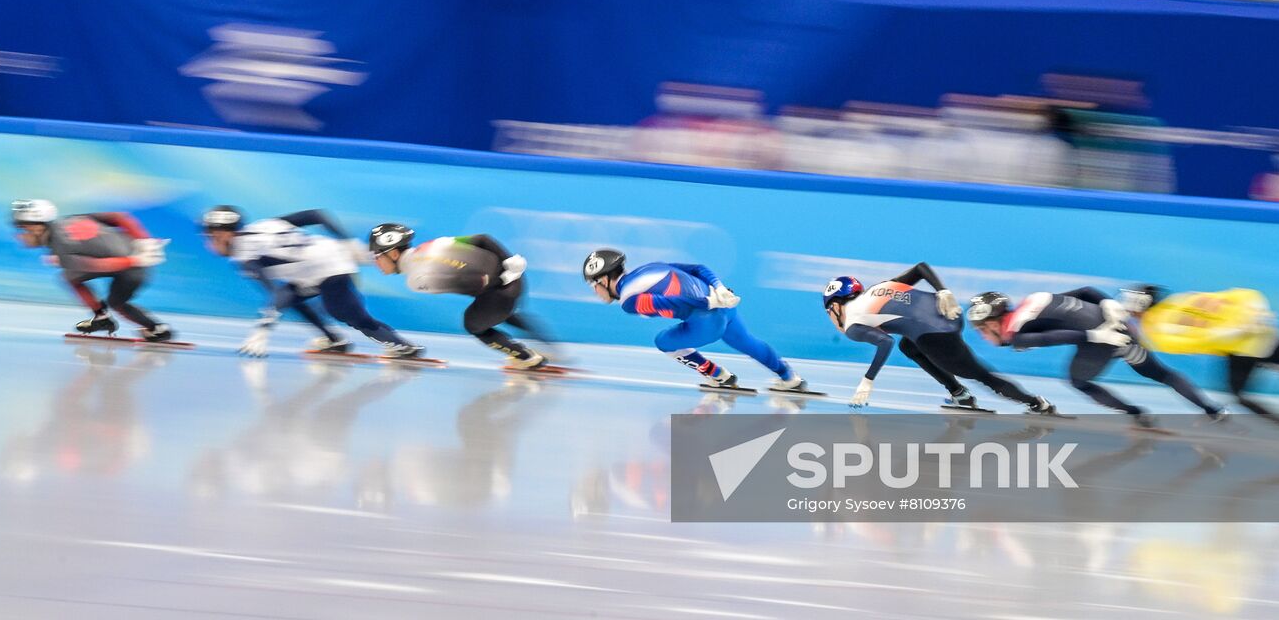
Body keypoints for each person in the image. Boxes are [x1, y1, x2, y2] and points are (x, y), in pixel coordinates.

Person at [966, 287, 1226, 426]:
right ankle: (1213, 410)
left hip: (1101, 340)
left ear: (992, 323)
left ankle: (1136, 413)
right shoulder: (1033, 299)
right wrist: (1109, 305)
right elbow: (1088, 291)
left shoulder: (1016, 334)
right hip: (1118, 325)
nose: (982, 337)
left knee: (1079, 381)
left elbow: (1060, 337)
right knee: (1158, 372)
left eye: (981, 330)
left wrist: (1097, 337)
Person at [823, 263, 1053, 413]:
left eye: (828, 311)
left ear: (835, 306)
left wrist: (868, 380)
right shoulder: (878, 289)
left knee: (984, 376)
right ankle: (959, 394)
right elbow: (921, 268)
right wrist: (944, 291)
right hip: (949, 312)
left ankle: (1036, 403)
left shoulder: (853, 325)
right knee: (908, 346)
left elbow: (885, 342)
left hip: (935, 336)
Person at [200, 205, 422, 358]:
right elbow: (317, 215)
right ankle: (334, 340)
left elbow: (276, 294)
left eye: (213, 236)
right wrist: (346, 240)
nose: (210, 242)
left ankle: (403, 347)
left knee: (353, 317)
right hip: (323, 263)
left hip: (329, 270)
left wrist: (263, 328)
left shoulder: (245, 257)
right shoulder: (264, 225)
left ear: (228, 235)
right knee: (296, 299)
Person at [582, 248, 810, 392]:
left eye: (593, 285)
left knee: (663, 341)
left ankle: (718, 375)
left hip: (705, 317)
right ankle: (790, 377)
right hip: (722, 305)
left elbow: (674, 304)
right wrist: (720, 290)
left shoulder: (629, 300)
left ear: (604, 279)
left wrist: (707, 303)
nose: (594, 291)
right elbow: (699, 268)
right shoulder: (650, 267)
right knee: (748, 342)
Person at [1124, 285, 1279, 425]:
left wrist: (1238, 330)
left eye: (1131, 306)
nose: (1130, 311)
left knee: (1240, 396)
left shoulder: (1158, 330)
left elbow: (1204, 340)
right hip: (1266, 328)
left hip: (1244, 346)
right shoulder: (1180, 299)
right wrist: (1256, 312)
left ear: (1140, 306)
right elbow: (1245, 294)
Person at [368, 223, 553, 369]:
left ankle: (527, 358)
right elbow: (483, 239)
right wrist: (510, 264)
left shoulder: (416, 279)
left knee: (473, 324)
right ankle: (547, 344)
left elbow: (473, 282)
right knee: (497, 312)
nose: (376, 263)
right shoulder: (433, 245)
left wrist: (500, 282)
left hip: (500, 290)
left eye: (377, 256)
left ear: (392, 253)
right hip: (513, 273)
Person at [11, 198, 175, 342]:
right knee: (70, 274)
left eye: (22, 229)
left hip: (133, 267)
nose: (19, 235)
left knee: (116, 302)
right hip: (135, 252)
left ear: (38, 228)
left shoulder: (62, 247)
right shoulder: (69, 220)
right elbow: (119, 217)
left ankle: (156, 328)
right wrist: (144, 240)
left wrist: (135, 260)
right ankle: (106, 318)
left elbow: (98, 266)